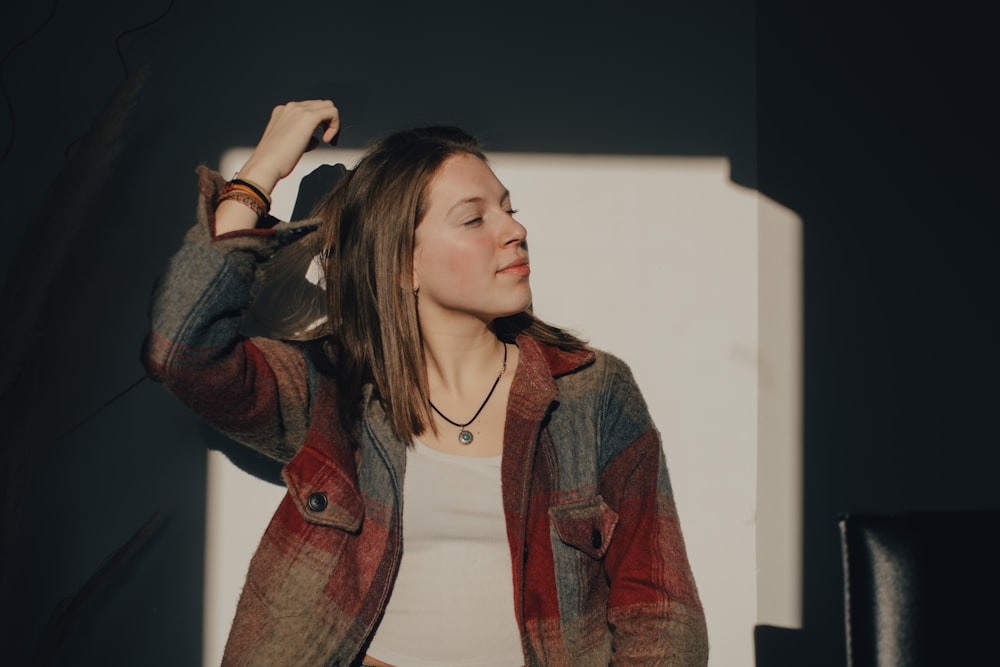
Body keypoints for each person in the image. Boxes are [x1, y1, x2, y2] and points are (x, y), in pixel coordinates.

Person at [145, 99, 708, 666]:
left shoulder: (591, 393)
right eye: (474, 218)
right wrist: (259, 171)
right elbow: (184, 351)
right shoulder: (332, 389)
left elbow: (660, 607)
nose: (515, 229)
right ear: (401, 264)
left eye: (509, 210)